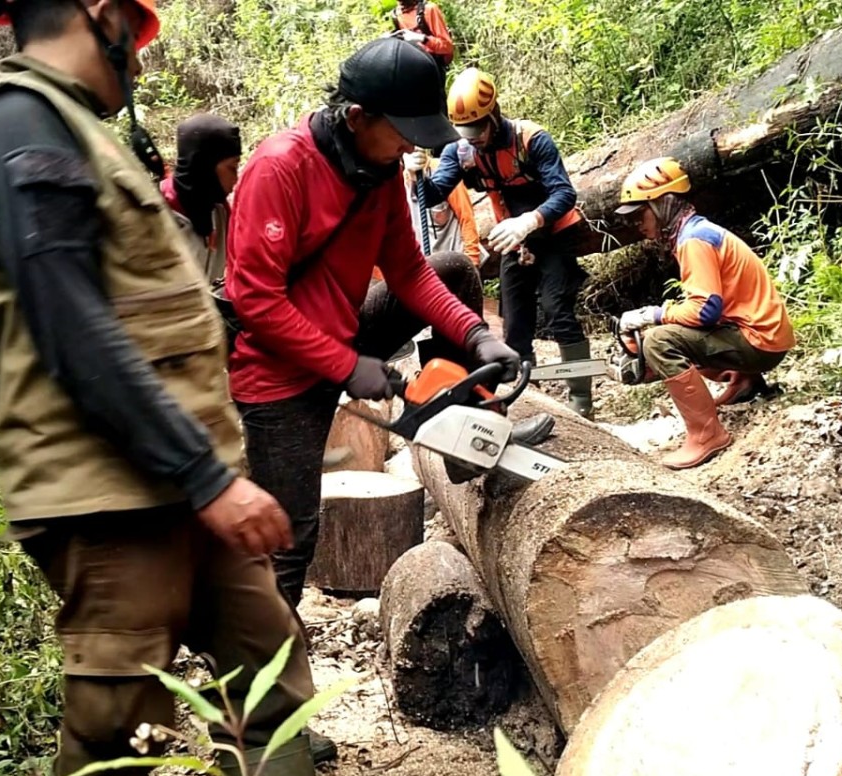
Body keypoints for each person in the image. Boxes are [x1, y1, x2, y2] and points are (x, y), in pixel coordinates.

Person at [0, 0, 316, 776]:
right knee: (120, 735)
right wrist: (207, 475)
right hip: (110, 499)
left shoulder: (78, 134)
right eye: (135, 40)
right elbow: (70, 325)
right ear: (101, 14)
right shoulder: (18, 123)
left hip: (182, 488)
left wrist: (208, 476)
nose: (140, 64)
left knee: (270, 687)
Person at [224, 37, 544, 614]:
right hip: (279, 369)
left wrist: (477, 335)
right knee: (291, 539)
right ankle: (262, 680)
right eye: (401, 132)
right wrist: (347, 367)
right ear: (356, 117)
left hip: (343, 331)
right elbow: (255, 300)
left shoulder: (382, 171)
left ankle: (465, 436)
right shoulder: (281, 167)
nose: (408, 147)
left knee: (454, 272)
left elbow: (410, 272)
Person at [408, 67, 594, 417]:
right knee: (515, 319)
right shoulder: (460, 151)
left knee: (556, 308)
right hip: (512, 238)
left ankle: (581, 398)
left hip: (553, 232)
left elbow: (564, 193)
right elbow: (433, 194)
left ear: (494, 114)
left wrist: (531, 220)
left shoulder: (531, 139)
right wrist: (415, 171)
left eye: (478, 128)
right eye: (466, 130)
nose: (473, 137)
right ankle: (525, 390)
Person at [614, 157, 796, 470]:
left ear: (663, 204)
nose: (638, 225)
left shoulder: (694, 241)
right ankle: (744, 382)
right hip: (765, 336)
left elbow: (705, 312)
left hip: (759, 342)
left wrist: (650, 315)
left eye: (640, 215)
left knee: (658, 342)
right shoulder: (699, 233)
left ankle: (706, 434)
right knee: (666, 331)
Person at [160, 112, 242, 283]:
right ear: (204, 166)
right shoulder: (157, 216)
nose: (236, 178)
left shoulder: (220, 212)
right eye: (232, 168)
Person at [402, 155, 481, 266]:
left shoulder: (444, 170)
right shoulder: (400, 182)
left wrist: (472, 259)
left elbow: (466, 216)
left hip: (455, 260)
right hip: (426, 265)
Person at [389, 0, 453, 78]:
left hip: (433, 69)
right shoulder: (397, 15)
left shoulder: (429, 10)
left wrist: (422, 38)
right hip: (411, 69)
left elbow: (447, 46)